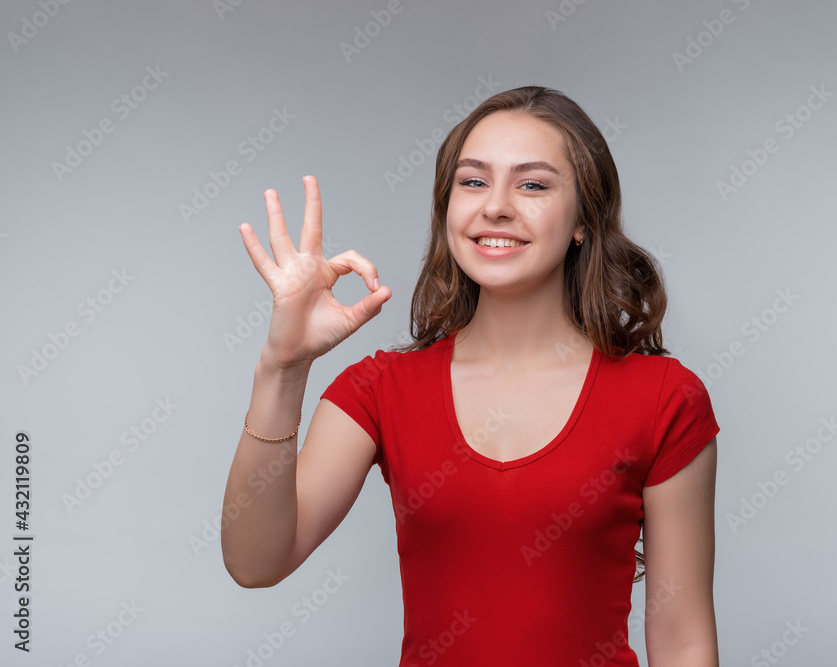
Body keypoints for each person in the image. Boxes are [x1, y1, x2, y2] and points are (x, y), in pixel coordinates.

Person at [221, 85, 721, 667]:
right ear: (448, 209)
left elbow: (684, 640)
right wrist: (283, 368)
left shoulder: (663, 399)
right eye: (473, 181)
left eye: (533, 184)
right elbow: (255, 563)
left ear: (584, 219)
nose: (496, 206)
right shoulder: (381, 390)